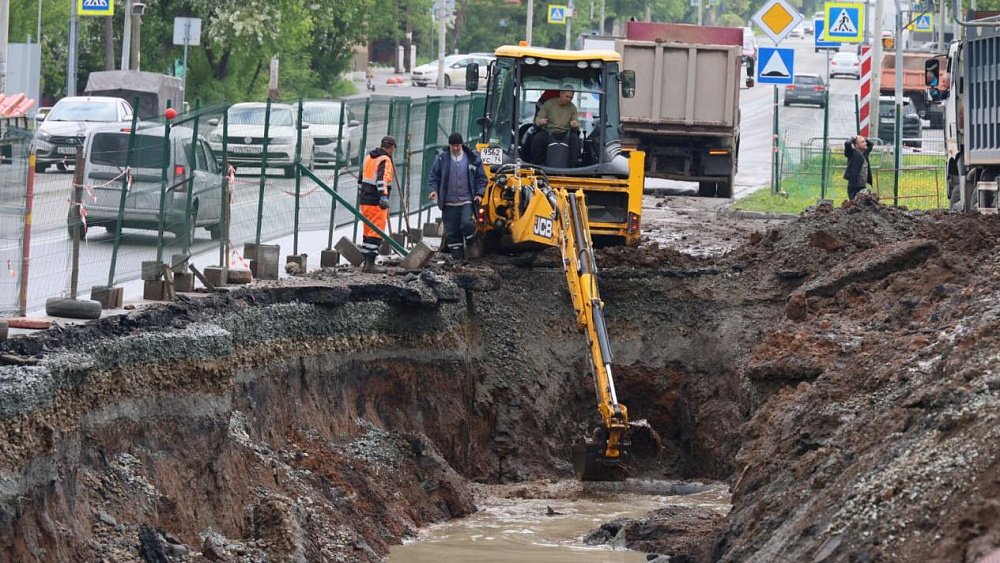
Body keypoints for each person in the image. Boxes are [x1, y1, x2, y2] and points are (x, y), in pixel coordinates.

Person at [428, 132, 487, 259]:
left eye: (457, 146)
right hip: (448, 202)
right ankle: (458, 259)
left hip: (466, 200)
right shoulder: (442, 159)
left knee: (467, 223)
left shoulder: (472, 157)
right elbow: (434, 177)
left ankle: (472, 244)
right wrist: (434, 190)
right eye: (453, 146)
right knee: (452, 232)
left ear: (462, 145)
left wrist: (479, 193)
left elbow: (481, 178)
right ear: (449, 146)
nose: (455, 148)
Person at [358, 135, 397, 272]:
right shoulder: (385, 160)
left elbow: (361, 179)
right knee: (376, 232)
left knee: (367, 231)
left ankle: (366, 262)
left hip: (365, 200)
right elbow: (382, 181)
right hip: (376, 202)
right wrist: (383, 196)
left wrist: (361, 195)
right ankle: (370, 264)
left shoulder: (369, 158)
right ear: (392, 148)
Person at [530, 89, 580, 167]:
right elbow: (538, 118)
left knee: (575, 139)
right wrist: (540, 121)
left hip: (565, 133)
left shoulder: (572, 107)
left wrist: (575, 124)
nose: (568, 99)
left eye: (571, 98)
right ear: (561, 93)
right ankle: (537, 164)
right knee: (538, 138)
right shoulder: (548, 104)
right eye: (567, 97)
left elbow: (576, 121)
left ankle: (572, 166)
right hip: (549, 132)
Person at [843, 135, 873, 200]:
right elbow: (847, 143)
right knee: (855, 203)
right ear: (856, 145)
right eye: (862, 142)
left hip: (862, 185)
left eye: (865, 141)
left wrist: (862, 138)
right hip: (854, 186)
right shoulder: (852, 154)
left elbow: (871, 144)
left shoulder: (865, 153)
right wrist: (853, 138)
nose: (865, 143)